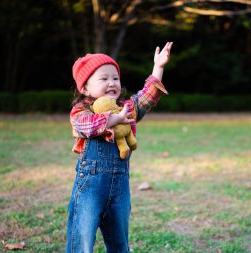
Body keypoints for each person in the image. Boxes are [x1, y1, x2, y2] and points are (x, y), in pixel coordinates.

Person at [66, 42, 173, 253]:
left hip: (119, 189)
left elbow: (146, 97)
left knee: (119, 244)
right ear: (85, 87)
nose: (111, 82)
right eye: (103, 78)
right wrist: (114, 119)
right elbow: (85, 126)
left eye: (115, 78)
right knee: (82, 242)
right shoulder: (81, 111)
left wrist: (158, 67)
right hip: (90, 188)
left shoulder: (125, 108)